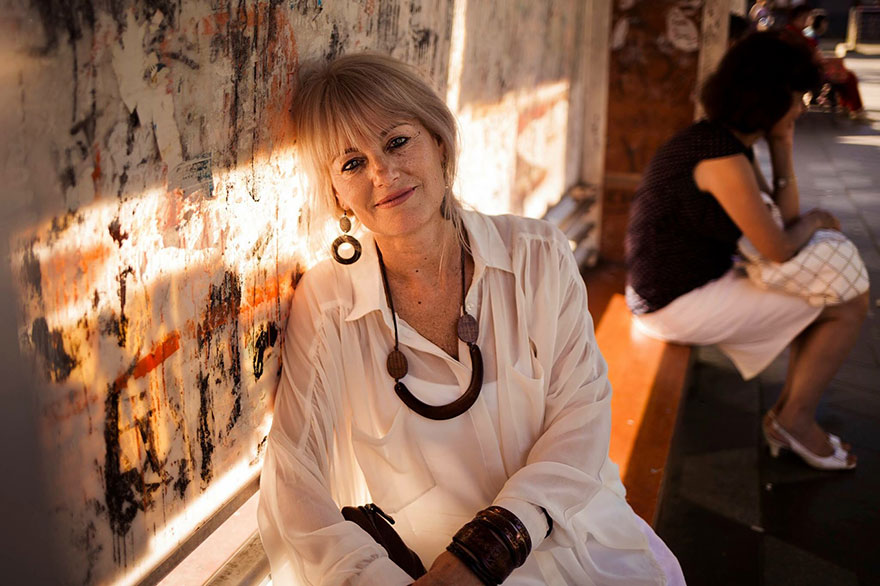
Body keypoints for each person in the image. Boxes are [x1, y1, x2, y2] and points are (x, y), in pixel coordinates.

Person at [257, 53, 685, 585]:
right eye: (352, 163)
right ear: (335, 194)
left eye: (397, 142)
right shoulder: (329, 302)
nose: (383, 174)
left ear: (439, 143)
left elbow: (583, 413)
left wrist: (483, 554)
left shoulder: (536, 255)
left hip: (590, 545)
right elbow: (294, 476)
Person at [625, 32, 868, 473]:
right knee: (847, 302)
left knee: (827, 295)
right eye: (796, 98)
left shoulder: (723, 141)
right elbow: (779, 248)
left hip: (684, 286)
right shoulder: (720, 157)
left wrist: (783, 146)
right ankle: (794, 419)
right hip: (671, 304)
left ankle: (791, 415)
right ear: (769, 96)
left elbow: (781, 223)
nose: (801, 109)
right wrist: (816, 219)